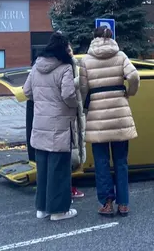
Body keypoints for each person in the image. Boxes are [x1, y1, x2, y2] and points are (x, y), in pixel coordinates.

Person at [79, 26, 139, 217]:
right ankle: (123, 204)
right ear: (112, 37)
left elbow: (82, 88)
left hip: (97, 115)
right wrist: (129, 93)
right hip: (120, 113)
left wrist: (85, 106)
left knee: (101, 162)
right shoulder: (121, 56)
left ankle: (106, 203)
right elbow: (134, 76)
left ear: (93, 37)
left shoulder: (86, 61)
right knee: (121, 161)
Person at [24, 33, 80, 221]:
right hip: (59, 125)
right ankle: (58, 210)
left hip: (40, 124)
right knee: (59, 170)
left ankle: (42, 208)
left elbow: (27, 91)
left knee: (44, 168)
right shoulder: (65, 69)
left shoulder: (36, 67)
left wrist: (41, 102)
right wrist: (75, 106)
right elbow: (68, 95)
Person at [68, 44, 87, 199]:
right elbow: (67, 91)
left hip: (73, 114)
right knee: (70, 151)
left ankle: (70, 187)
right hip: (69, 114)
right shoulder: (66, 67)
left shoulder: (75, 64)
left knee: (73, 150)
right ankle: (68, 188)